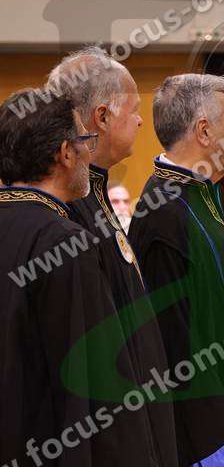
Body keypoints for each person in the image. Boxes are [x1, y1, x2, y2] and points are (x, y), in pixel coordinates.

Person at [0, 91, 160, 466]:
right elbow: (94, 384)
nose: (90, 152)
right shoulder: (66, 243)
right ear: (65, 154)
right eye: (85, 140)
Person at [128, 74, 224, 466]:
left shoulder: (200, 194)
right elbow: (176, 350)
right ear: (204, 131)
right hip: (205, 437)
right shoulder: (164, 214)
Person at [48, 47, 177, 467]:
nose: (141, 121)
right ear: (102, 117)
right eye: (134, 110)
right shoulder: (69, 207)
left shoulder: (94, 191)